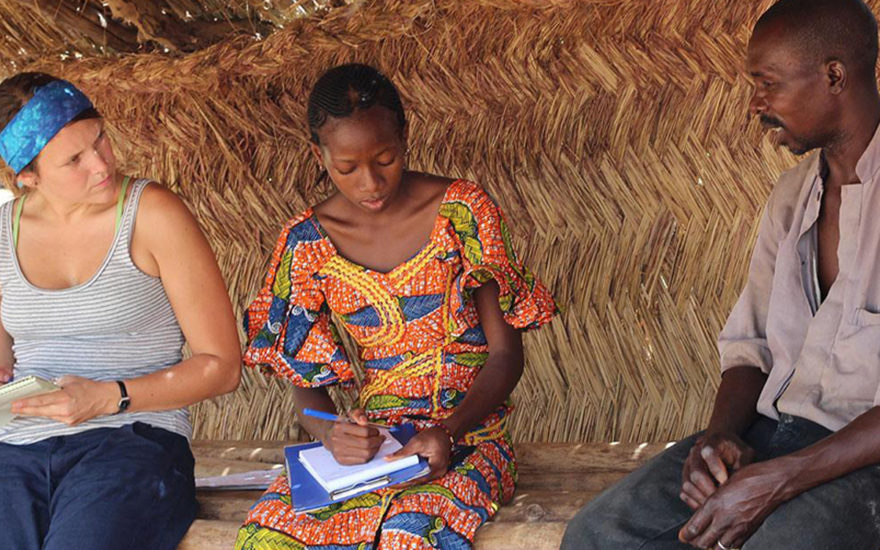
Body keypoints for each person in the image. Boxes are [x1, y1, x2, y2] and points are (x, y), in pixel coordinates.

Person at [561, 1, 880, 549]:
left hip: (864, 459)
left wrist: (783, 480)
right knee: (598, 535)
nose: (756, 104)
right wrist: (720, 438)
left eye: (768, 84)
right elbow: (750, 346)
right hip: (772, 435)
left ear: (834, 76)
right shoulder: (792, 195)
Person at [235, 63, 557, 549]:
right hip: (373, 449)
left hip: (468, 440)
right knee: (266, 537)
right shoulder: (305, 244)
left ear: (405, 137)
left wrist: (448, 432)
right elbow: (303, 382)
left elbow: (505, 354)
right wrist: (331, 436)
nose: (370, 182)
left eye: (385, 157)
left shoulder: (462, 212)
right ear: (320, 156)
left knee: (408, 537)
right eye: (347, 168)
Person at [0, 73, 241, 550]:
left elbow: (223, 367)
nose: (101, 164)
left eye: (100, 139)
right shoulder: (3, 232)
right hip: (16, 450)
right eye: (74, 160)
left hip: (133, 442)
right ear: (28, 175)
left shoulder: (153, 215)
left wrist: (112, 396)